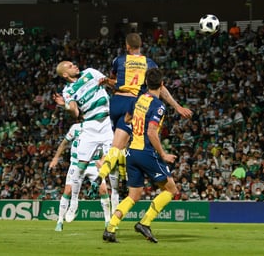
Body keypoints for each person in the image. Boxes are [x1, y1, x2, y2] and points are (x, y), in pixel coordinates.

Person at [96, 32, 192, 186]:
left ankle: (119, 168)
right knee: (123, 142)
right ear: (140, 46)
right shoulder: (149, 63)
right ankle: (103, 164)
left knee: (122, 140)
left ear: (127, 46)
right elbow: (161, 89)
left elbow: (115, 81)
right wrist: (177, 106)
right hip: (133, 103)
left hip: (116, 102)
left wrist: (107, 82)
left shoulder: (118, 60)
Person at [103, 68, 178, 243]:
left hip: (131, 152)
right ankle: (145, 222)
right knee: (171, 190)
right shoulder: (158, 106)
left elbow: (127, 118)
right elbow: (152, 132)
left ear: (145, 83)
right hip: (146, 152)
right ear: (161, 84)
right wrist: (163, 154)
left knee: (133, 195)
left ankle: (111, 228)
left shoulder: (138, 99)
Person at [52, 61, 116, 228]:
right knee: (80, 165)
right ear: (65, 75)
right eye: (70, 66)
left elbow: (112, 84)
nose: (74, 66)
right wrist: (65, 106)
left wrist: (107, 82)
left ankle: (96, 183)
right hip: (89, 125)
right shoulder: (68, 91)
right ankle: (74, 203)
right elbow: (75, 112)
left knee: (113, 156)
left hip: (107, 121)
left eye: (73, 64)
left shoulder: (90, 72)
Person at [50, 122, 119, 231]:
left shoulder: (101, 129)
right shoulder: (76, 128)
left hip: (93, 164)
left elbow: (108, 149)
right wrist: (55, 158)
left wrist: (102, 161)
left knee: (103, 190)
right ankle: (60, 221)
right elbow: (64, 143)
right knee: (68, 191)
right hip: (76, 163)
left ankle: (107, 221)